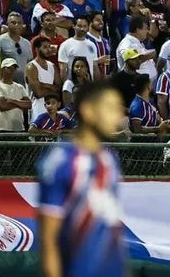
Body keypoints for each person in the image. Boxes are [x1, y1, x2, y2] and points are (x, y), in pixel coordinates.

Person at [36, 78, 127, 277]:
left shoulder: (109, 160)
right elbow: (48, 240)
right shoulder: (61, 160)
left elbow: (113, 228)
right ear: (88, 110)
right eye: (110, 108)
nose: (119, 117)